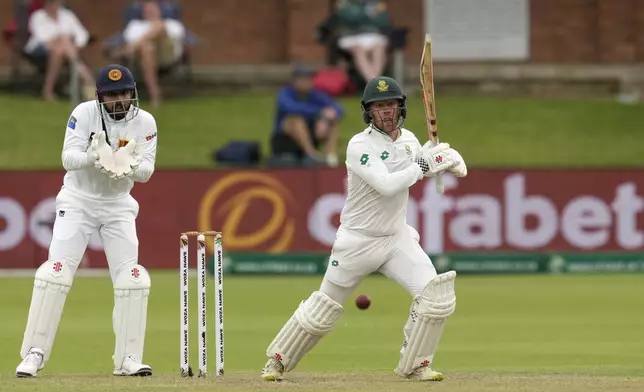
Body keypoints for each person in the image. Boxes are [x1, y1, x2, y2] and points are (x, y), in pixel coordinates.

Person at [260, 76, 467, 382]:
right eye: (379, 106)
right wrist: (425, 166)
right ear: (368, 112)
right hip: (357, 241)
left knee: (435, 296)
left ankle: (416, 365)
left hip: (396, 238)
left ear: (401, 107)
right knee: (323, 309)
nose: (385, 111)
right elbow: (387, 185)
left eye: (391, 105)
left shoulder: (409, 141)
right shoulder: (360, 145)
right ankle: (276, 361)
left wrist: (441, 159)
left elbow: (416, 164)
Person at [15, 64, 158, 378]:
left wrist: (125, 164)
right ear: (99, 97)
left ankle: (129, 359)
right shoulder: (84, 113)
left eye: (123, 93)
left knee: (132, 278)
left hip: (118, 205)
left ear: (133, 93)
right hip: (78, 201)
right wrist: (95, 158)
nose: (119, 101)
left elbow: (146, 171)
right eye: (111, 95)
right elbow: (68, 158)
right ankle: (34, 355)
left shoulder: (145, 121)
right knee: (55, 274)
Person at [271, 64, 344, 166]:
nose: (308, 82)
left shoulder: (315, 94)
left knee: (332, 121)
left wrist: (324, 120)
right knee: (296, 120)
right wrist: (321, 113)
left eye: (309, 79)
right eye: (304, 79)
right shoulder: (285, 94)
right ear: (294, 81)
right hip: (285, 139)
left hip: (311, 134)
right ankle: (312, 155)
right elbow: (291, 108)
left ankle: (330, 157)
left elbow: (338, 109)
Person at [117, 0, 186, 107]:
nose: (150, 12)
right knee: (147, 48)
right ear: (143, 13)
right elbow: (129, 40)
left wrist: (136, 44)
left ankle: (155, 94)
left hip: (166, 55)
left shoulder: (171, 23)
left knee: (160, 27)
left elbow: (172, 35)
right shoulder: (135, 26)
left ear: (159, 11)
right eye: (147, 10)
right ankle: (155, 93)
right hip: (142, 58)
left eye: (153, 9)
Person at [25, 0, 95, 101]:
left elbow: (82, 34)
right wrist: (61, 39)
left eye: (57, 3)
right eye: (52, 3)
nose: (55, 5)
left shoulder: (67, 15)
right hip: (39, 49)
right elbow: (41, 37)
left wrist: (76, 46)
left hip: (64, 50)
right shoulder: (38, 16)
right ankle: (87, 78)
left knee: (58, 51)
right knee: (63, 41)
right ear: (47, 4)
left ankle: (48, 90)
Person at [334, 0, 391, 82]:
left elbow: (383, 21)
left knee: (379, 49)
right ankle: (373, 82)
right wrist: (368, 14)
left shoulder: (376, 3)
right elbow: (348, 19)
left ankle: (375, 81)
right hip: (351, 37)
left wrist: (361, 16)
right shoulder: (346, 3)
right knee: (358, 50)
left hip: (373, 36)